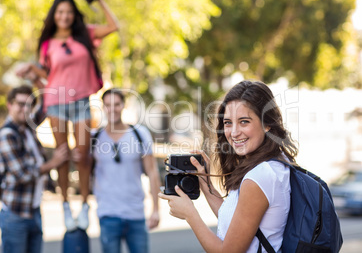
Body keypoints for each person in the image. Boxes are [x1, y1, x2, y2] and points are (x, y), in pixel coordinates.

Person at [16, 0, 119, 231]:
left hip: (82, 102)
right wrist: (31, 69)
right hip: (56, 103)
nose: (64, 16)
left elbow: (114, 26)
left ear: (74, 15)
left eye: (69, 12)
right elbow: (47, 74)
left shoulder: (86, 35)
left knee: (82, 156)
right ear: (55, 15)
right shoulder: (47, 43)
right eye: (60, 12)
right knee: (62, 155)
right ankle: (64, 205)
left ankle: (84, 204)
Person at [159, 80, 298, 252]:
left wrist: (190, 214)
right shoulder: (273, 162)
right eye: (228, 123)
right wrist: (206, 185)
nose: (233, 132)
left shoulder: (260, 176)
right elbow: (235, 225)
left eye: (244, 122)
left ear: (267, 124)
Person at [0, 85, 78, 253]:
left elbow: (46, 106)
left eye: (29, 105)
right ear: (9, 105)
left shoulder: (27, 128)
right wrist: (54, 162)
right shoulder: (7, 135)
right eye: (20, 104)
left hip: (34, 212)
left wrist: (39, 79)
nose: (25, 109)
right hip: (16, 215)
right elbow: (23, 174)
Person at [91, 88, 161, 253]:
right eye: (108, 105)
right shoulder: (94, 138)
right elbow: (84, 169)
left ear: (123, 106)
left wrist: (156, 210)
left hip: (136, 213)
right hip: (108, 214)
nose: (112, 109)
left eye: (116, 104)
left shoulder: (140, 134)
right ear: (103, 107)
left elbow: (152, 173)